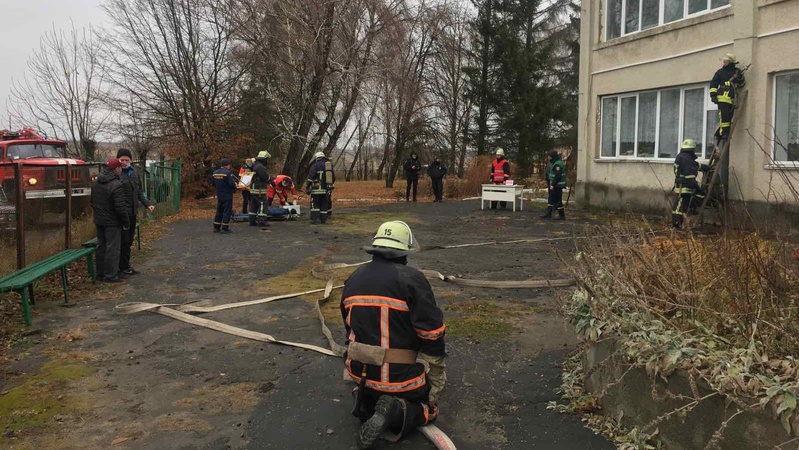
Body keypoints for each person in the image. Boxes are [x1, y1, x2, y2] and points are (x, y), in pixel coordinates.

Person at [341, 221, 447, 449]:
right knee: (428, 409)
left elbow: (348, 329)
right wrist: (436, 370)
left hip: (362, 374)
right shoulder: (412, 279)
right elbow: (432, 332)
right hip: (402, 379)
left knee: (370, 395)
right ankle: (399, 411)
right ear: (404, 251)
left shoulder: (353, 279)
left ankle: (367, 404)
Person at [91, 158, 130, 283]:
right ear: (116, 169)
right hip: (112, 222)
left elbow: (92, 202)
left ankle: (100, 273)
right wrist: (125, 222)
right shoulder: (116, 184)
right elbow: (120, 207)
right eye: (119, 168)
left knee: (101, 246)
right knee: (113, 248)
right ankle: (111, 275)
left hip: (99, 220)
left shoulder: (96, 183)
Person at [116, 148, 154, 276]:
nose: (124, 162)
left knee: (129, 240)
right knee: (123, 241)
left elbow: (138, 191)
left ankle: (126, 266)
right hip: (122, 213)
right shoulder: (116, 174)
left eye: (127, 160)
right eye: (122, 160)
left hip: (132, 212)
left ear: (131, 160)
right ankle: (121, 267)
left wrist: (147, 204)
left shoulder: (134, 173)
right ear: (118, 160)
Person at [710, 53, 746, 147]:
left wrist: (739, 77)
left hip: (732, 98)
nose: (723, 62)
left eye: (725, 61)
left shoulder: (736, 71)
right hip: (722, 98)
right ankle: (723, 134)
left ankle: (724, 133)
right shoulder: (720, 72)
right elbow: (713, 84)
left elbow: (742, 84)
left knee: (729, 117)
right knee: (724, 116)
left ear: (730, 62)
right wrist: (713, 95)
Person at [672, 139, 709, 229]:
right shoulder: (687, 158)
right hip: (684, 186)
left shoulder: (683, 156)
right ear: (692, 149)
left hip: (682, 184)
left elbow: (694, 165)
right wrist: (697, 186)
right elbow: (690, 176)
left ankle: (681, 220)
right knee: (680, 206)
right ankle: (677, 223)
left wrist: (703, 167)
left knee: (681, 205)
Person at [305, 151, 335, 224]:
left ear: (317, 158)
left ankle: (316, 219)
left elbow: (310, 177)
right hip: (326, 190)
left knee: (315, 203)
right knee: (324, 204)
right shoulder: (329, 166)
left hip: (316, 189)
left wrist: (307, 186)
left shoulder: (315, 165)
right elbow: (333, 177)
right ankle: (323, 219)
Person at [212, 158, 237, 233]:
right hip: (227, 194)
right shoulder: (227, 173)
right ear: (227, 165)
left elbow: (213, 184)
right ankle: (225, 227)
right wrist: (235, 188)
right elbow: (231, 184)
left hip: (219, 194)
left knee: (219, 210)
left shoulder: (215, 172)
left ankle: (216, 227)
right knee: (227, 211)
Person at [541, 150, 567, 220]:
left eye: (549, 156)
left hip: (557, 185)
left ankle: (561, 215)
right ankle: (549, 212)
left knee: (557, 200)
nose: (548, 158)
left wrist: (553, 184)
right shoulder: (554, 163)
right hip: (554, 185)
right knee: (551, 199)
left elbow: (558, 176)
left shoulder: (557, 164)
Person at [248, 151, 271, 228]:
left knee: (253, 205)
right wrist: (271, 179)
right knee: (262, 204)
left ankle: (252, 220)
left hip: (253, 188)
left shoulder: (254, 165)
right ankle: (261, 221)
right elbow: (265, 177)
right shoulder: (260, 167)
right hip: (259, 189)